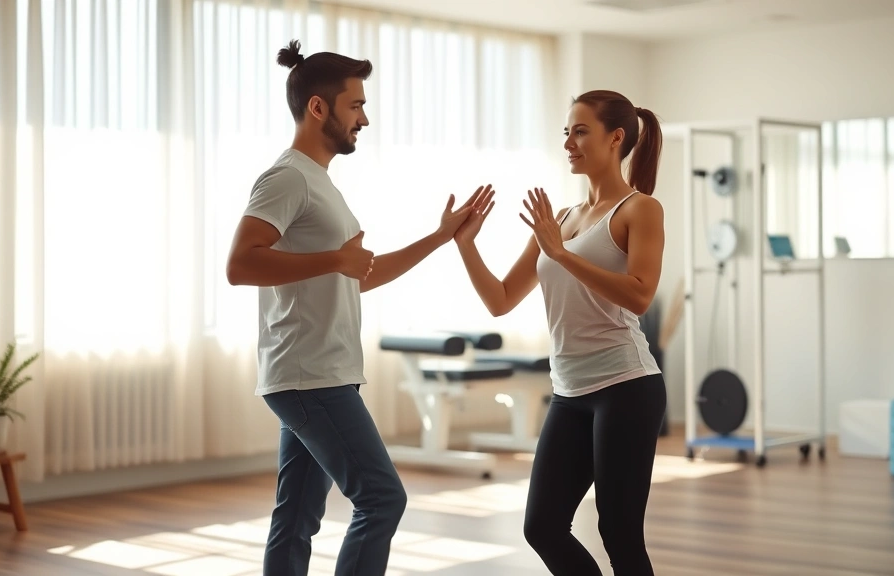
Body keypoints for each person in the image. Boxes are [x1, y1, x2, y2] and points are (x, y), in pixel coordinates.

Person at [225, 40, 485, 576]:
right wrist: (333, 260)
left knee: (296, 515)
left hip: (318, 373)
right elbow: (240, 265)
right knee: (382, 499)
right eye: (356, 105)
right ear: (319, 107)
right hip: (310, 376)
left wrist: (439, 238)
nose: (364, 118)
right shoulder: (287, 177)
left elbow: (357, 275)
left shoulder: (320, 184)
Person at [454, 90, 666, 575]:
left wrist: (563, 253)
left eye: (580, 130)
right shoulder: (562, 220)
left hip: (626, 387)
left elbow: (639, 294)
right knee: (542, 526)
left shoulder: (640, 210)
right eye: (566, 132)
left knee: (619, 532)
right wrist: (466, 246)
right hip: (570, 392)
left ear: (616, 139)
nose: (568, 142)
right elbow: (501, 299)